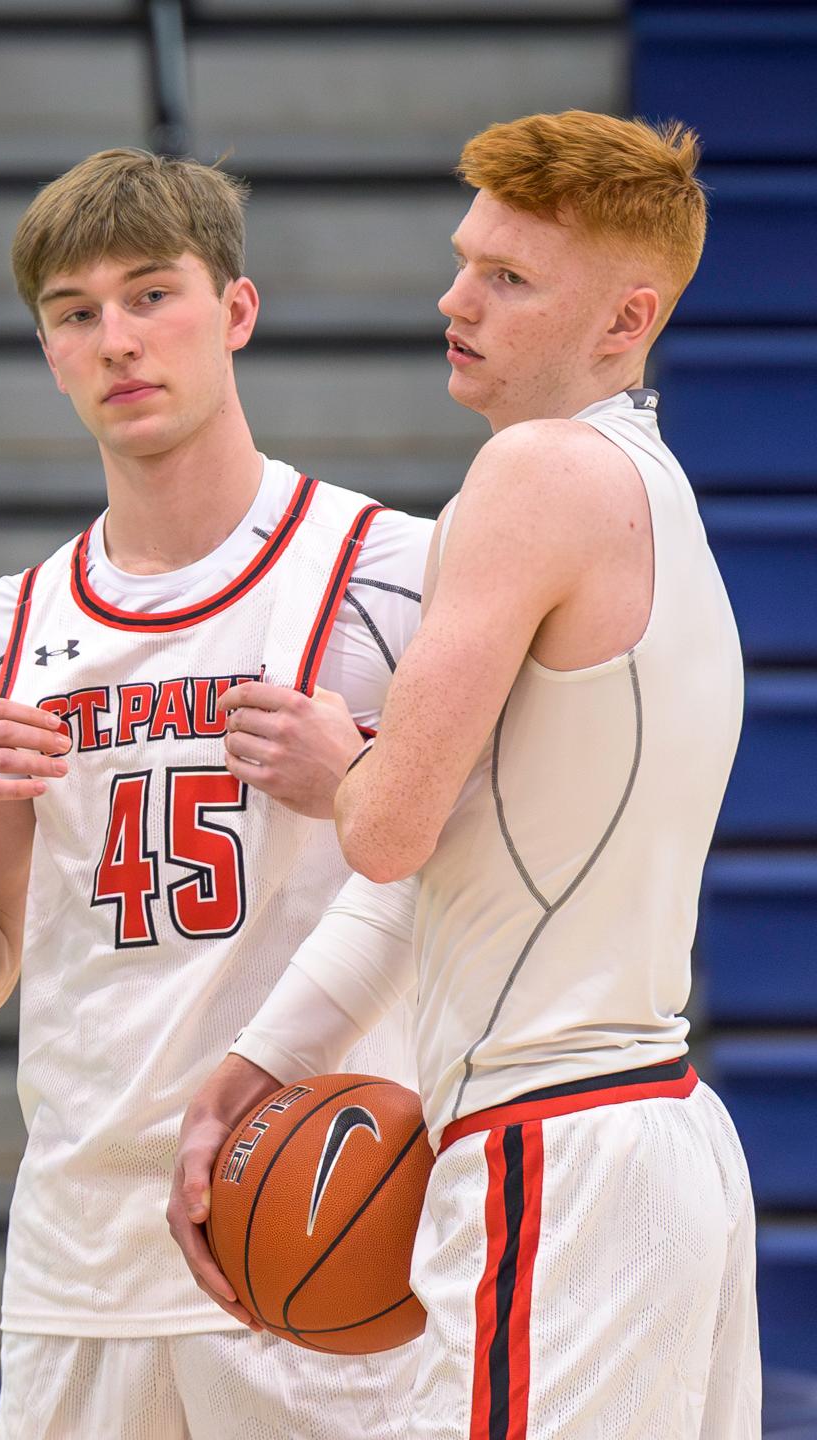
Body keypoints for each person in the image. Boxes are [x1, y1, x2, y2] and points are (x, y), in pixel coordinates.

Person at [171, 111, 760, 1439]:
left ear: (624, 322)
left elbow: (388, 831)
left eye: (509, 278)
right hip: (661, 1145)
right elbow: (452, 855)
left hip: (555, 1147)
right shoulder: (655, 500)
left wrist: (338, 769)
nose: (456, 299)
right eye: (464, 260)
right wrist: (261, 1061)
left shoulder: (533, 474)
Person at [0, 148, 435, 1438]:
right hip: (80, 1252)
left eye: (151, 296)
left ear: (235, 310)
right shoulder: (4, 627)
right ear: (47, 352)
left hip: (321, 1221)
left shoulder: (390, 570)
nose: (118, 340)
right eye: (77, 314)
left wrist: (354, 774)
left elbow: (488, 869)